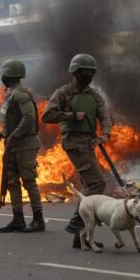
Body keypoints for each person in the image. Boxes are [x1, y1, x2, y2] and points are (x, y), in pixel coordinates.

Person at [41, 54, 112, 248]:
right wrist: (71, 116)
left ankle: (80, 237)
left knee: (88, 186)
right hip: (74, 141)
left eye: (91, 72)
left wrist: (104, 135)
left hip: (89, 142)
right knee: (97, 183)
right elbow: (47, 115)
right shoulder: (63, 93)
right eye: (84, 71)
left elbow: (105, 116)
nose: (88, 74)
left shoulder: (94, 96)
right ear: (75, 72)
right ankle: (76, 223)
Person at [0, 59, 45, 233]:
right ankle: (18, 219)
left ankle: (38, 219)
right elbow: (10, 122)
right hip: (12, 145)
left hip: (24, 145)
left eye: (4, 73)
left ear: (10, 75)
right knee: (12, 181)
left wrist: (13, 136)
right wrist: (0, 136)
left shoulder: (21, 94)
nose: (2, 77)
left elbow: (29, 119)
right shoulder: (10, 94)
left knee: (29, 181)